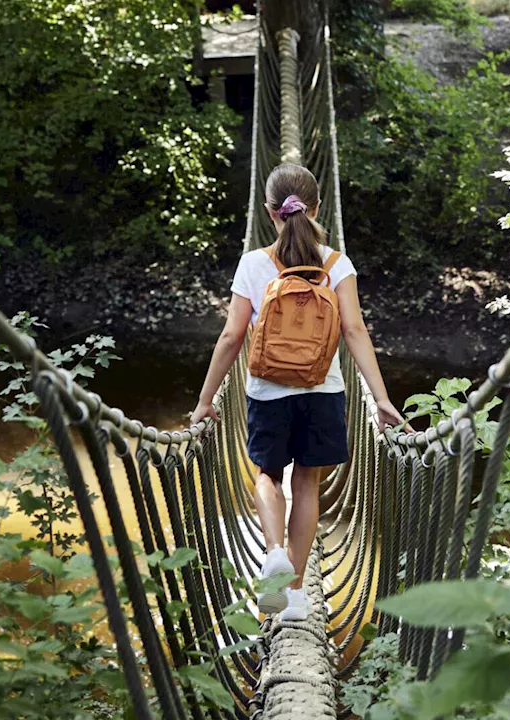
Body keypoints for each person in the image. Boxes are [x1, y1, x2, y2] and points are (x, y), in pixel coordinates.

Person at [190, 163, 405, 622]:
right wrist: (381, 398)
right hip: (322, 392)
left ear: (269, 212)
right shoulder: (335, 263)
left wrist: (205, 401)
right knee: (307, 481)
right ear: (318, 208)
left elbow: (230, 338)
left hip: (267, 393)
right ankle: (296, 593)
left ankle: (272, 553)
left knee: (267, 476)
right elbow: (354, 330)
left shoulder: (253, 264)